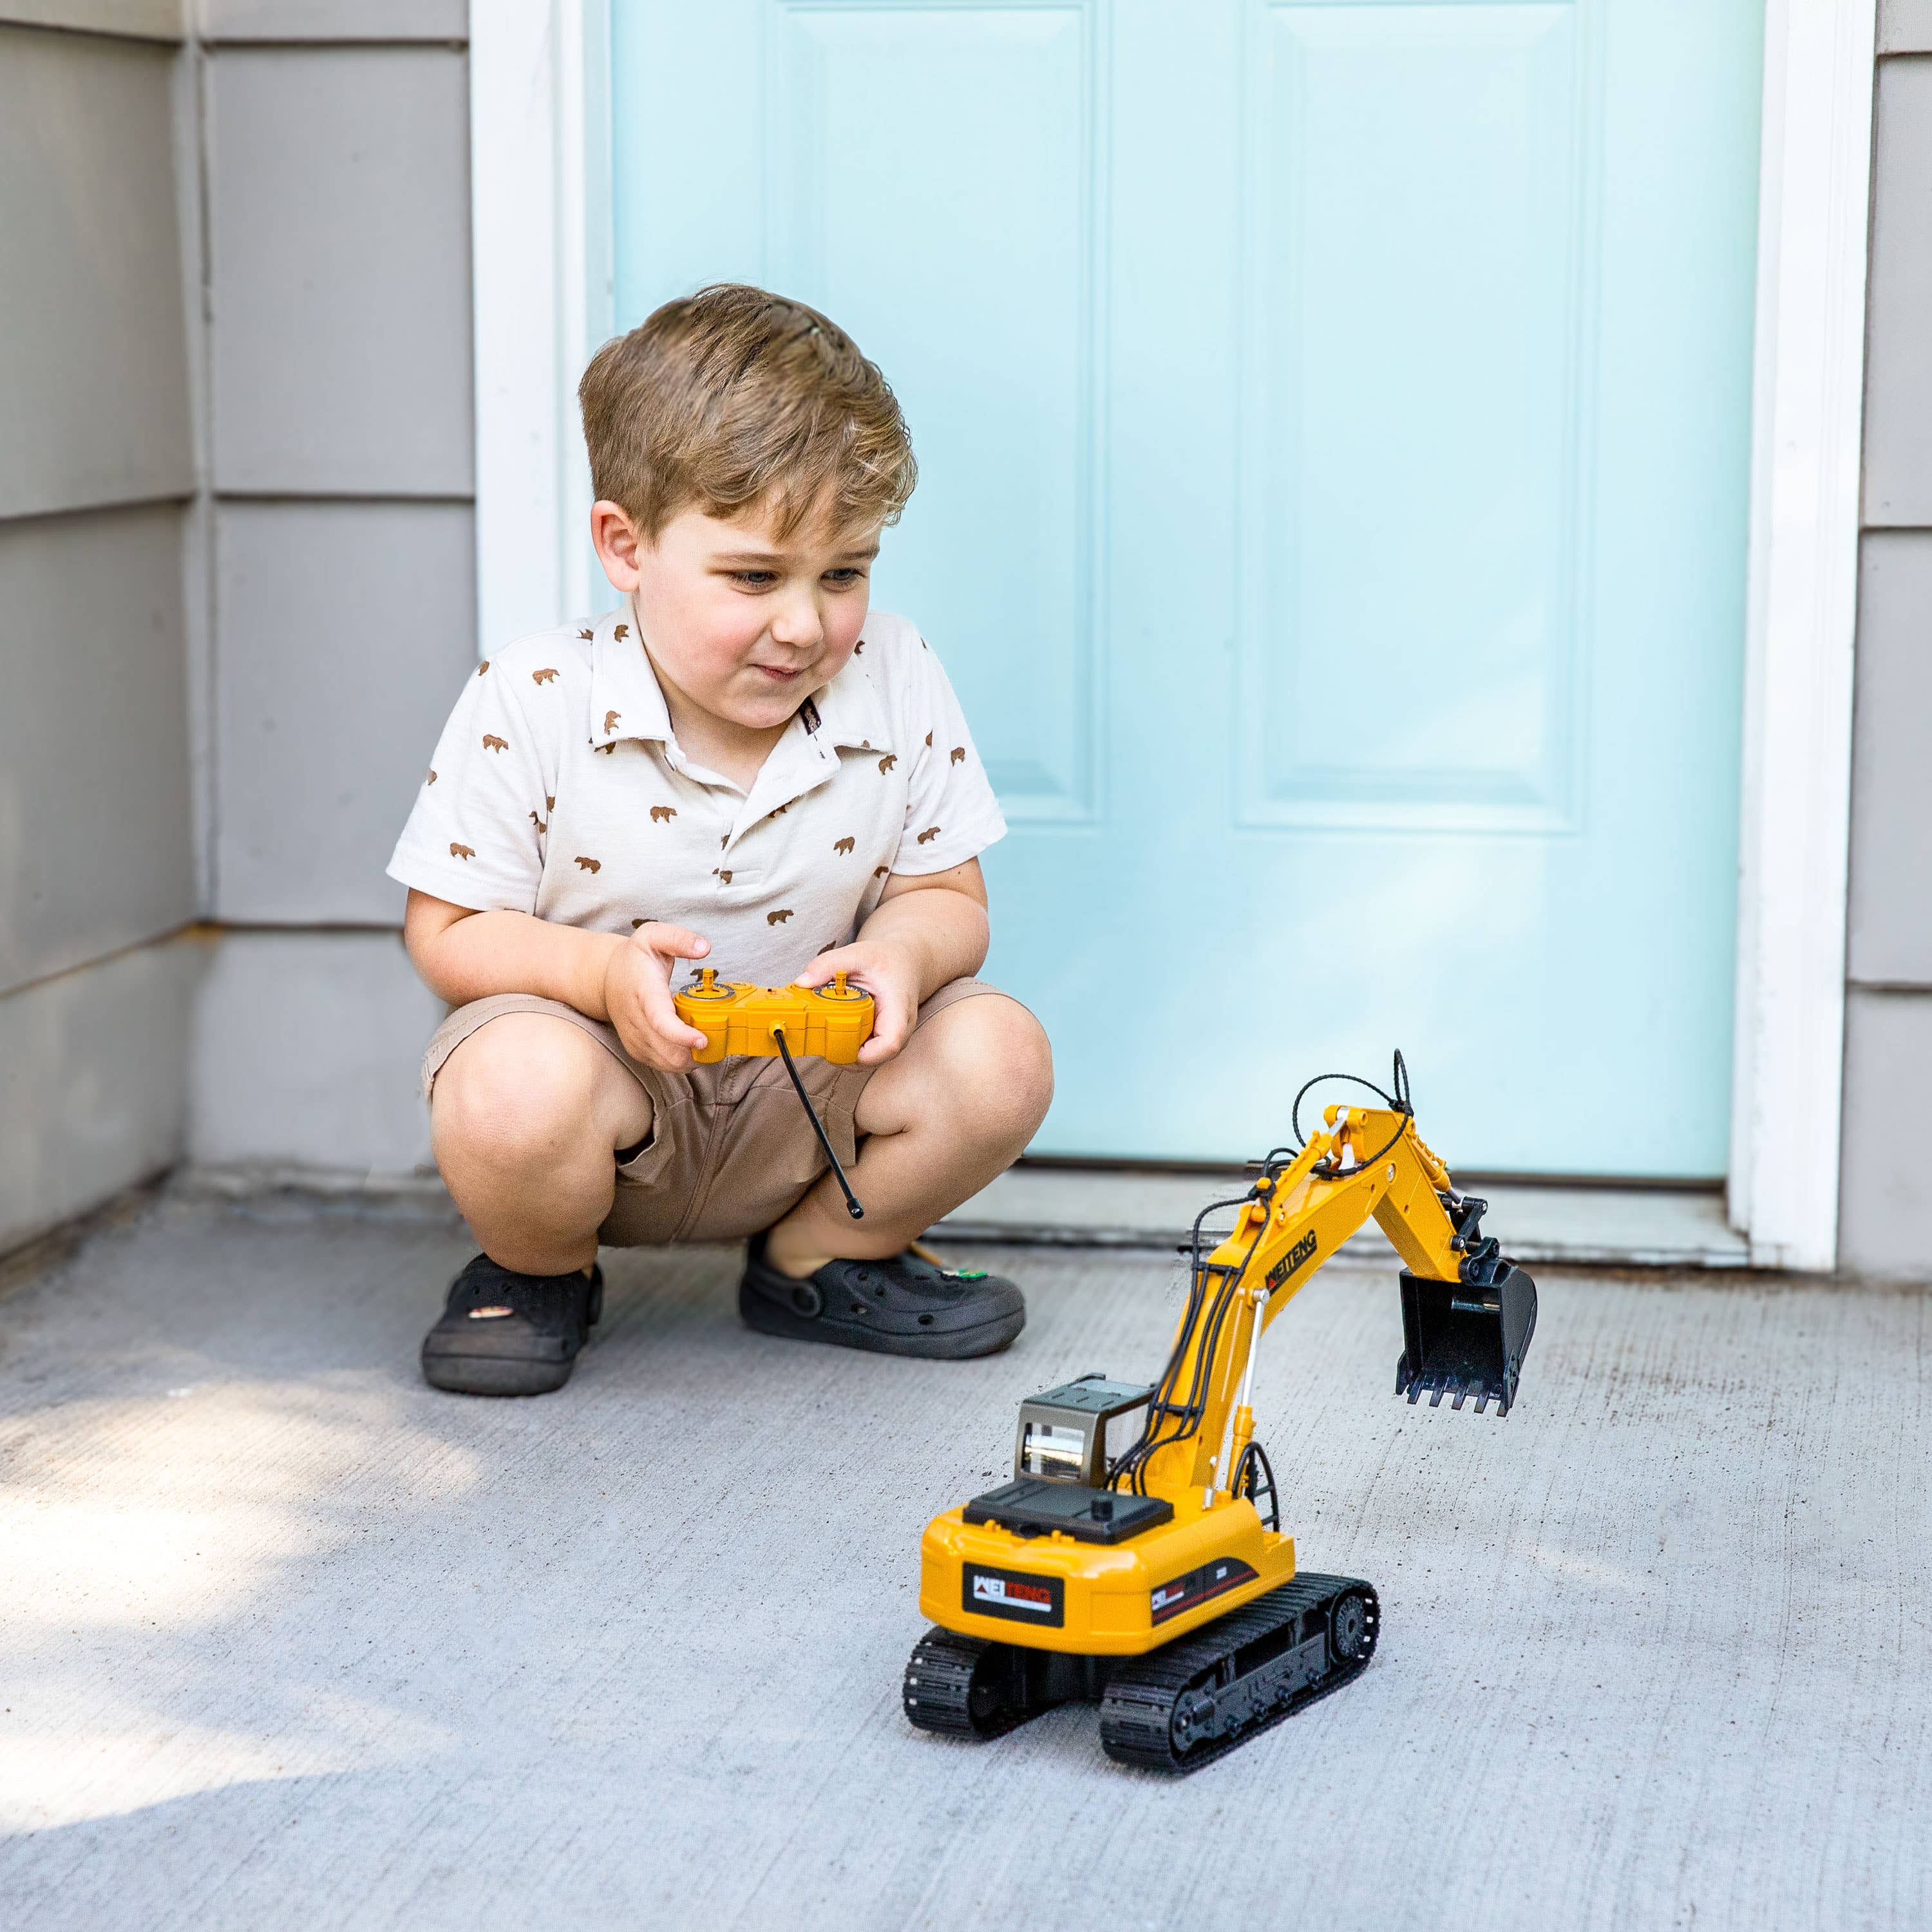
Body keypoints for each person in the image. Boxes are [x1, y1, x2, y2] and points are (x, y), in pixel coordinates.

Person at [386, 285, 1054, 1395]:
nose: (805, 624)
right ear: (626, 544)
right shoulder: (535, 693)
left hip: (819, 1089)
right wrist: (601, 975)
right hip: (609, 1086)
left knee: (1003, 1055)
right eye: (754, 576)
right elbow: (447, 931)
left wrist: (901, 956)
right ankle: (541, 1270)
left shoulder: (893, 672)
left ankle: (819, 1256)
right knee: (505, 1084)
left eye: (844, 573)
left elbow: (948, 896)